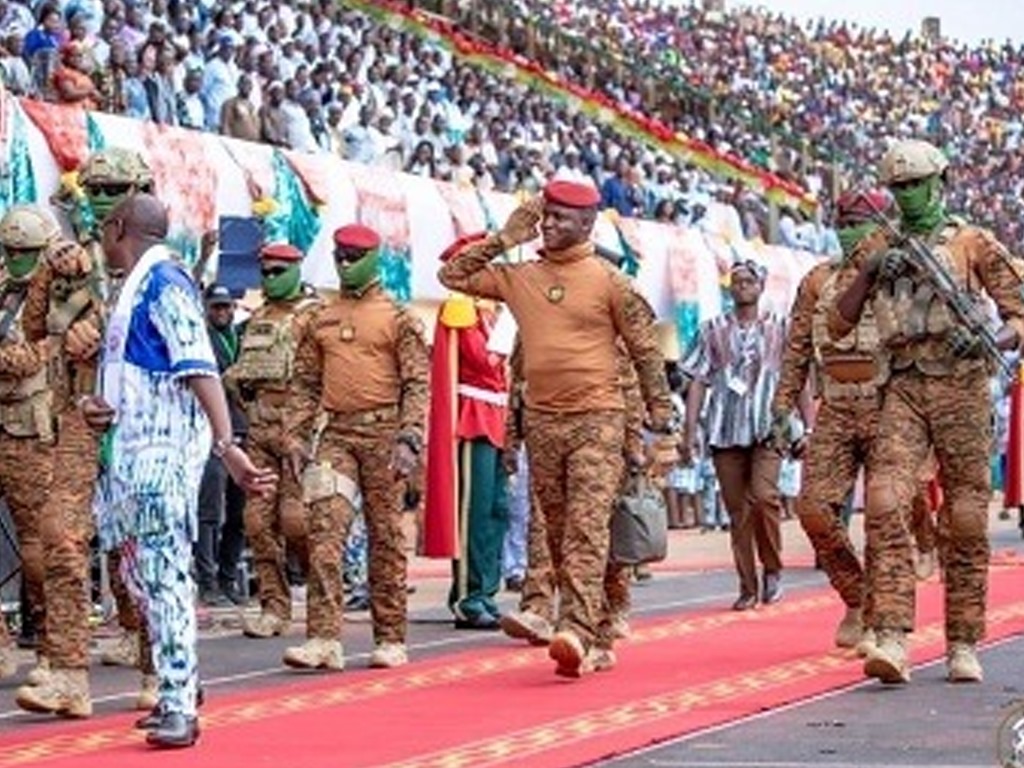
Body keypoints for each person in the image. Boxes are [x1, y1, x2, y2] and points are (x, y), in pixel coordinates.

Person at [438, 180, 672, 678]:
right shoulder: (520, 275)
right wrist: (504, 237)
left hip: (599, 419)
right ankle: (601, 627)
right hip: (544, 422)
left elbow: (647, 351)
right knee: (564, 531)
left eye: (561, 218)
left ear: (588, 223)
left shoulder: (610, 281)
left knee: (586, 531)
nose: (549, 224)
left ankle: (577, 633)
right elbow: (452, 274)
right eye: (546, 216)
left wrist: (661, 418)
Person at [81, 193, 275, 748]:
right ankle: (182, 678)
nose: (99, 240)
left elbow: (200, 367)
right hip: (129, 454)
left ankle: (179, 704)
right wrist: (97, 406)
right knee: (136, 578)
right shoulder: (135, 288)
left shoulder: (165, 284)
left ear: (119, 226)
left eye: (103, 228)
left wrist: (228, 445)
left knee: (162, 577)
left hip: (162, 458)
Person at [831, 139, 1024, 684]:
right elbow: (839, 324)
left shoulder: (971, 243)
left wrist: (991, 338)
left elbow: (1019, 315)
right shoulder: (876, 244)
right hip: (904, 386)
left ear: (939, 183)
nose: (907, 195)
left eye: (915, 184)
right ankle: (890, 634)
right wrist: (871, 271)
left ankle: (963, 640)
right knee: (887, 501)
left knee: (964, 517)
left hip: (962, 387)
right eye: (898, 187)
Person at [285, 223, 428, 671]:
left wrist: (410, 438)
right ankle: (324, 638)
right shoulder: (320, 318)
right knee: (324, 530)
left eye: (353, 256)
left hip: (386, 434)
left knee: (385, 537)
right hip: (337, 435)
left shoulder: (399, 317)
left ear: (372, 258)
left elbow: (417, 383)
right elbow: (306, 382)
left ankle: (390, 636)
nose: (345, 264)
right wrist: (294, 434)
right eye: (339, 256)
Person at [770, 189, 890, 650]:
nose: (848, 230)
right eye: (842, 221)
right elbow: (797, 348)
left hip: (887, 405)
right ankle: (857, 596)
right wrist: (782, 407)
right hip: (835, 407)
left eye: (858, 221)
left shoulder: (898, 276)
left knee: (885, 514)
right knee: (814, 508)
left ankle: (884, 618)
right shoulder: (818, 280)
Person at [224, 243, 319, 638]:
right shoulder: (256, 319)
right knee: (258, 524)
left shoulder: (315, 318)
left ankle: (321, 601)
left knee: (298, 522)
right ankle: (274, 607)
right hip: (261, 430)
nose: (271, 278)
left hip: (300, 434)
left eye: (280, 270)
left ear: (297, 270)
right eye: (266, 271)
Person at [681, 259, 787, 611]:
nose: (742, 286)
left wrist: (809, 424)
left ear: (761, 287)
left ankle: (772, 567)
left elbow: (796, 377)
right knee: (737, 510)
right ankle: (747, 585)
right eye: (737, 280)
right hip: (725, 431)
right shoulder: (712, 329)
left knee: (764, 496)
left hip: (767, 428)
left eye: (749, 281)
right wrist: (689, 430)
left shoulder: (780, 328)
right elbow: (697, 378)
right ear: (729, 287)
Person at [424, 293, 509, 630]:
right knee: (472, 514)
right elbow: (482, 361)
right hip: (472, 419)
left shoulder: (492, 311)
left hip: (497, 417)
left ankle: (486, 592)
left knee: (495, 511)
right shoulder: (460, 308)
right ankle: (466, 597)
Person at [0, 205, 59, 692]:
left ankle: (48, 646)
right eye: (10, 251)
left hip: (31, 434)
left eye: (25, 253)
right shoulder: (3, 288)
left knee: (39, 549)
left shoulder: (60, 296)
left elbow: (27, 358)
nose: (16, 260)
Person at [194, 283, 248, 606]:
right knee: (210, 511)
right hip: (212, 436)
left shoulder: (241, 340)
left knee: (239, 515)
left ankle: (228, 579)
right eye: (216, 307)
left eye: (226, 307)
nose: (222, 312)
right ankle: (207, 581)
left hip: (244, 431)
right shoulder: (202, 341)